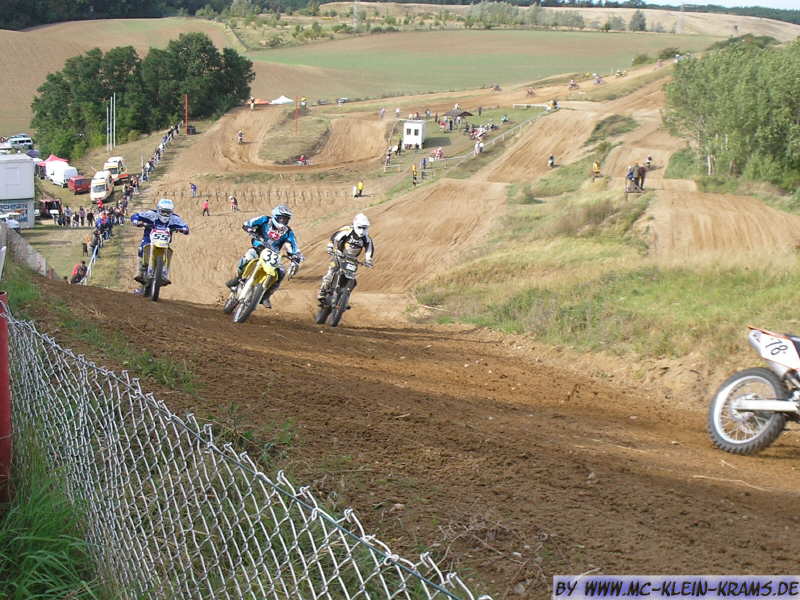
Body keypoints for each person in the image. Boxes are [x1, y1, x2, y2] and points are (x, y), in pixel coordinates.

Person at [226, 204, 303, 309]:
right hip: (258, 248)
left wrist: (296, 256)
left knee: (281, 272)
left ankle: (266, 296)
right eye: (281, 218)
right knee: (248, 257)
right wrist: (249, 229)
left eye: (286, 219)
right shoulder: (265, 220)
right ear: (275, 216)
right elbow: (248, 223)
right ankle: (237, 278)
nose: (283, 221)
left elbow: (294, 246)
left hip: (273, 256)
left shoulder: (288, 232)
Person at [317, 213, 374, 304]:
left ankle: (345, 298)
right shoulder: (348, 231)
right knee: (331, 272)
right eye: (360, 227)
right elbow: (335, 237)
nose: (362, 230)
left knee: (353, 278)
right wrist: (330, 246)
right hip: (339, 255)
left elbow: (369, 249)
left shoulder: (366, 238)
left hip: (352, 260)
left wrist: (368, 259)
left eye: (364, 228)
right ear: (355, 225)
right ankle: (322, 292)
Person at [130, 198, 189, 285]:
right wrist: (136, 221)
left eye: (168, 212)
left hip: (164, 241)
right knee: (141, 248)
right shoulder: (151, 214)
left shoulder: (174, 218)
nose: (165, 214)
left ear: (171, 212)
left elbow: (184, 226)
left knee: (169, 252)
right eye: (163, 212)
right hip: (149, 238)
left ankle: (164, 274)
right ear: (158, 209)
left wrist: (184, 229)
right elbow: (136, 215)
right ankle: (140, 271)